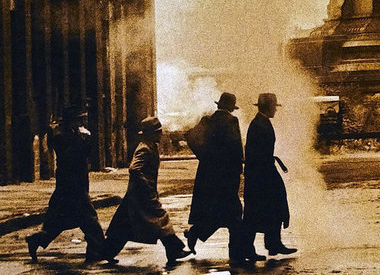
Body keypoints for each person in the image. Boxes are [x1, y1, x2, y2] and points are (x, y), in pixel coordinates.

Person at [102, 117, 192, 264]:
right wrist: (145, 185)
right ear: (151, 134)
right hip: (142, 194)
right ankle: (174, 250)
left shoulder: (150, 146)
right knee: (160, 218)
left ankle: (106, 251)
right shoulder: (144, 148)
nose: (160, 134)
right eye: (158, 132)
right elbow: (134, 168)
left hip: (138, 194)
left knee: (125, 225)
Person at [25, 105, 107, 263]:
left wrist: (85, 138)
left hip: (75, 184)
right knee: (90, 221)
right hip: (71, 185)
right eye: (78, 120)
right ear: (71, 121)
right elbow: (72, 155)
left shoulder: (73, 133)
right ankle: (97, 253)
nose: (81, 123)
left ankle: (37, 240)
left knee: (61, 222)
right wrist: (83, 139)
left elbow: (86, 153)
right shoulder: (62, 135)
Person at [185, 92, 245, 264]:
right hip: (226, 175)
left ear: (219, 105)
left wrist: (204, 156)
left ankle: (196, 233)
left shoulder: (207, 120)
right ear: (231, 107)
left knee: (220, 212)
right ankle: (236, 254)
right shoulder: (232, 121)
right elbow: (236, 148)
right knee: (233, 213)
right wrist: (239, 168)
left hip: (208, 175)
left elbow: (190, 136)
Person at [242, 93, 296, 259]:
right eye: (274, 106)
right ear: (269, 107)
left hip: (259, 172)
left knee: (263, 210)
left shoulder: (259, 122)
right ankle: (262, 246)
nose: (275, 110)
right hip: (262, 173)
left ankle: (271, 244)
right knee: (260, 211)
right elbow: (259, 153)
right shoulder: (261, 124)